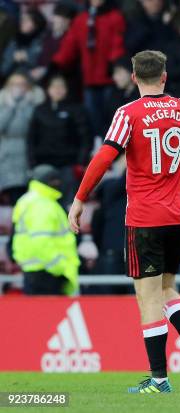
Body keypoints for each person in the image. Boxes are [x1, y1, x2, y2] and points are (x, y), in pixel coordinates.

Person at [67, 50, 180, 393]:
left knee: (148, 298)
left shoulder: (128, 113)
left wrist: (79, 200)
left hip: (144, 218)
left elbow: (104, 158)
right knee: (166, 288)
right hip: (179, 215)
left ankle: (159, 379)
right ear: (164, 77)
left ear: (134, 77)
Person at [52, 0, 126, 138]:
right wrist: (57, 63)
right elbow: (70, 44)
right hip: (89, 79)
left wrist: (114, 63)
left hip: (109, 78)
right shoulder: (82, 19)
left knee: (111, 116)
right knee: (91, 118)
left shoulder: (115, 17)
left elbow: (118, 42)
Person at [12, 165, 79, 295]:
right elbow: (41, 242)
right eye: (54, 180)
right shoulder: (42, 204)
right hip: (48, 274)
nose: (58, 183)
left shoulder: (31, 200)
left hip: (37, 271)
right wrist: (61, 267)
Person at [28, 74, 91, 206]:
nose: (58, 89)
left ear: (66, 89)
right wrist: (33, 163)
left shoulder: (76, 110)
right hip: (43, 164)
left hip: (68, 164)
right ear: (48, 89)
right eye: (54, 86)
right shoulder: (40, 110)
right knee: (42, 202)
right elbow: (31, 139)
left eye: (61, 86)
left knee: (68, 203)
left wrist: (80, 162)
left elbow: (85, 137)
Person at [0, 71, 45, 204]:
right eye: (14, 84)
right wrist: (11, 107)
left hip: (27, 153)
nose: (18, 87)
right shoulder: (2, 102)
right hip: (7, 154)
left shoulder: (34, 103)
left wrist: (23, 106)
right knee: (13, 194)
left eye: (21, 84)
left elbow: (32, 126)